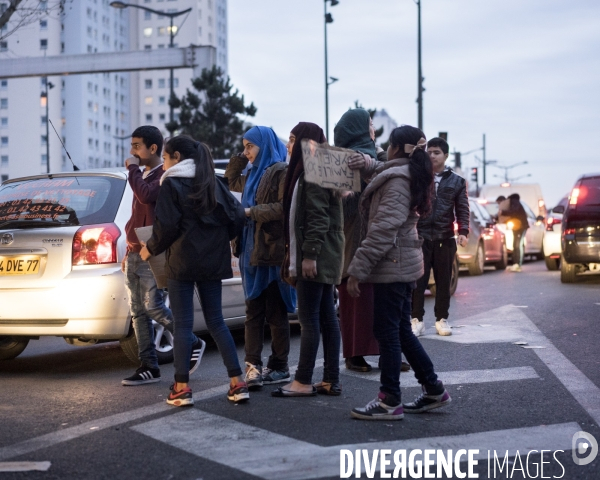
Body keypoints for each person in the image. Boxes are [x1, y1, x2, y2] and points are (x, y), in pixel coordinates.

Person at [346, 125, 451, 420]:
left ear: (395, 148)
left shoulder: (398, 182)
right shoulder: (408, 172)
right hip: (403, 265)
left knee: (388, 334)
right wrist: (365, 163)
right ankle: (433, 389)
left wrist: (358, 269)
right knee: (402, 332)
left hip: (392, 267)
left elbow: (383, 230)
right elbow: (382, 168)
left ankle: (389, 399)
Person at [140, 135, 247, 406]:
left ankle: (181, 388)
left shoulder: (172, 184)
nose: (163, 163)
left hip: (183, 262)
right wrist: (220, 239)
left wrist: (149, 248)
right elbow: (237, 216)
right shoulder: (212, 181)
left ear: (176, 157)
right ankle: (237, 383)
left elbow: (166, 227)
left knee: (184, 325)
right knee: (217, 321)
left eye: (165, 158)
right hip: (212, 261)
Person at [273, 122, 343, 397]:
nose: (289, 146)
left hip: (316, 254)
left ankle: (302, 380)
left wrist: (309, 255)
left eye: (292, 139)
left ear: (305, 141)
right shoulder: (322, 167)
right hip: (327, 252)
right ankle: (330, 379)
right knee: (327, 317)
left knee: (309, 318)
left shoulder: (313, 170)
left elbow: (317, 216)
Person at [225, 126, 296, 390]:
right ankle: (252, 366)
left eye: (250, 147)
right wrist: (242, 157)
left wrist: (250, 212)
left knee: (276, 312)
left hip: (271, 252)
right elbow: (231, 180)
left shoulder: (280, 171)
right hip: (250, 252)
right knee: (253, 311)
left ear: (265, 146)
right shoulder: (252, 173)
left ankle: (279, 366)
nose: (246, 152)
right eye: (244, 146)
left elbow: (282, 208)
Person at [121, 125, 177, 386]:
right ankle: (148, 366)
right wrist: (127, 249)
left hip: (151, 251)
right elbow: (136, 216)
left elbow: (145, 197)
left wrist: (132, 169)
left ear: (153, 148)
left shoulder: (162, 174)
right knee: (137, 312)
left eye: (136, 146)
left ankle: (189, 338)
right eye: (132, 145)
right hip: (134, 252)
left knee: (153, 306)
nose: (132, 151)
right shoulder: (142, 174)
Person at [334, 108, 379, 373]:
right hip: (352, 242)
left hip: (377, 242)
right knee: (355, 302)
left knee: (379, 302)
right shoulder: (342, 164)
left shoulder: (377, 158)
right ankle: (354, 353)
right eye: (369, 125)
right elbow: (340, 210)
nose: (373, 130)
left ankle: (386, 352)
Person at [411, 136, 469, 337]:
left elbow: (462, 208)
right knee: (418, 281)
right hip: (421, 236)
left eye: (436, 152)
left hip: (445, 237)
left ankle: (441, 319)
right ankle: (416, 319)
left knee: (444, 281)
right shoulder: (419, 177)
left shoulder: (457, 181)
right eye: (429, 152)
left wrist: (463, 231)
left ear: (446, 155)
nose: (432, 156)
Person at [499, 193, 528, 272]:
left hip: (520, 226)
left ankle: (517, 264)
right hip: (518, 225)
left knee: (517, 245)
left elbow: (514, 211)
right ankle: (516, 264)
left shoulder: (513, 202)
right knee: (516, 244)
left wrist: (503, 212)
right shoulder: (514, 202)